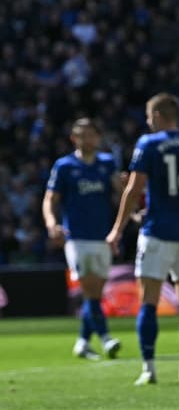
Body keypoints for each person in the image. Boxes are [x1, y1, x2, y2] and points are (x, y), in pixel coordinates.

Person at [107, 93, 179, 386]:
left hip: (157, 232)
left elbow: (134, 189)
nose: (149, 124)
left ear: (157, 116)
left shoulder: (149, 144)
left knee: (148, 302)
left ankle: (149, 368)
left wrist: (117, 229)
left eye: (149, 118)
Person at [43, 118, 124, 360]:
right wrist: (51, 223)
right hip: (77, 238)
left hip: (103, 237)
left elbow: (120, 194)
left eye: (91, 134)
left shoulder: (107, 164)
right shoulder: (65, 166)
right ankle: (106, 338)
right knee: (90, 290)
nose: (87, 139)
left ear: (98, 137)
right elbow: (50, 199)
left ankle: (82, 342)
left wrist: (128, 197)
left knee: (95, 294)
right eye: (82, 135)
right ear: (73, 139)